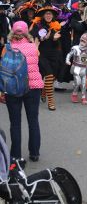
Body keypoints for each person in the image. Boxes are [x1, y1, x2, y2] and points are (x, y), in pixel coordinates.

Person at [4, 21, 43, 161]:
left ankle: (15, 155)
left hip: (13, 88)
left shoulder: (7, 48)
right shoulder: (34, 47)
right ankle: (34, 153)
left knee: (15, 123)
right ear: (26, 32)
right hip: (33, 87)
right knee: (33, 121)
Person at [30, 3, 62, 111]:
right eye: (47, 14)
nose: (49, 16)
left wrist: (55, 38)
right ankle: (51, 101)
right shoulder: (37, 25)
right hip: (42, 54)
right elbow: (35, 38)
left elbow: (58, 38)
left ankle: (44, 90)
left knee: (52, 77)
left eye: (51, 14)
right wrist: (45, 37)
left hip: (54, 54)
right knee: (48, 75)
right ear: (43, 15)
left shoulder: (56, 25)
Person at [66, 33, 87, 105]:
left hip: (84, 68)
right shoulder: (75, 48)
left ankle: (83, 97)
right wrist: (67, 60)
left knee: (84, 84)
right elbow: (69, 54)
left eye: (84, 41)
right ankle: (74, 94)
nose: (82, 43)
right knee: (77, 82)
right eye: (81, 41)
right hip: (76, 67)